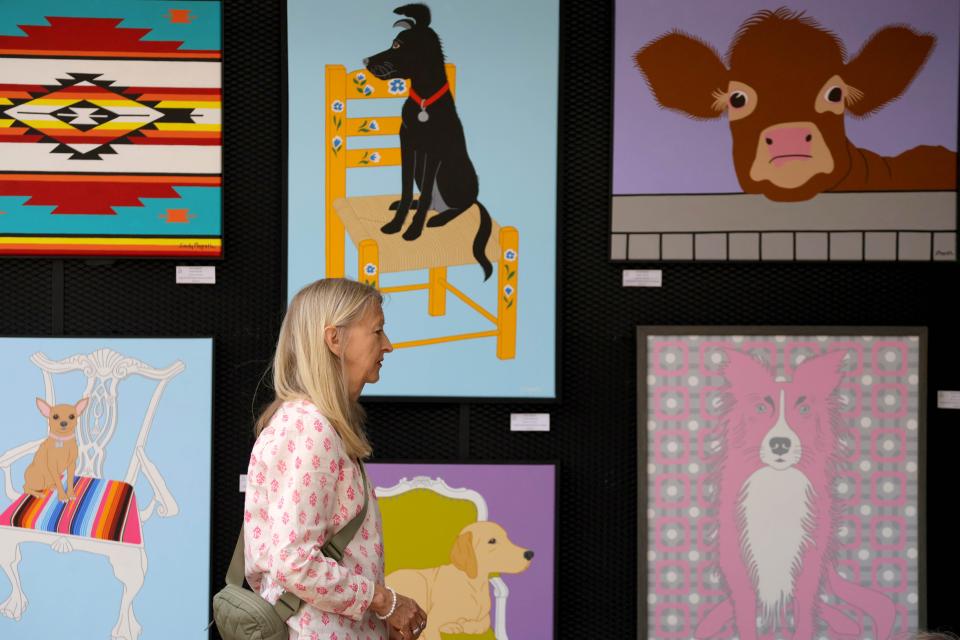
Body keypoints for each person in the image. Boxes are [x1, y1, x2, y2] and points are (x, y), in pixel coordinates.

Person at [243, 278, 427, 640]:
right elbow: (293, 561)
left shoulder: (311, 425)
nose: (388, 345)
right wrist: (384, 602)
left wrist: (374, 623)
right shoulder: (310, 430)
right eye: (377, 330)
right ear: (334, 339)